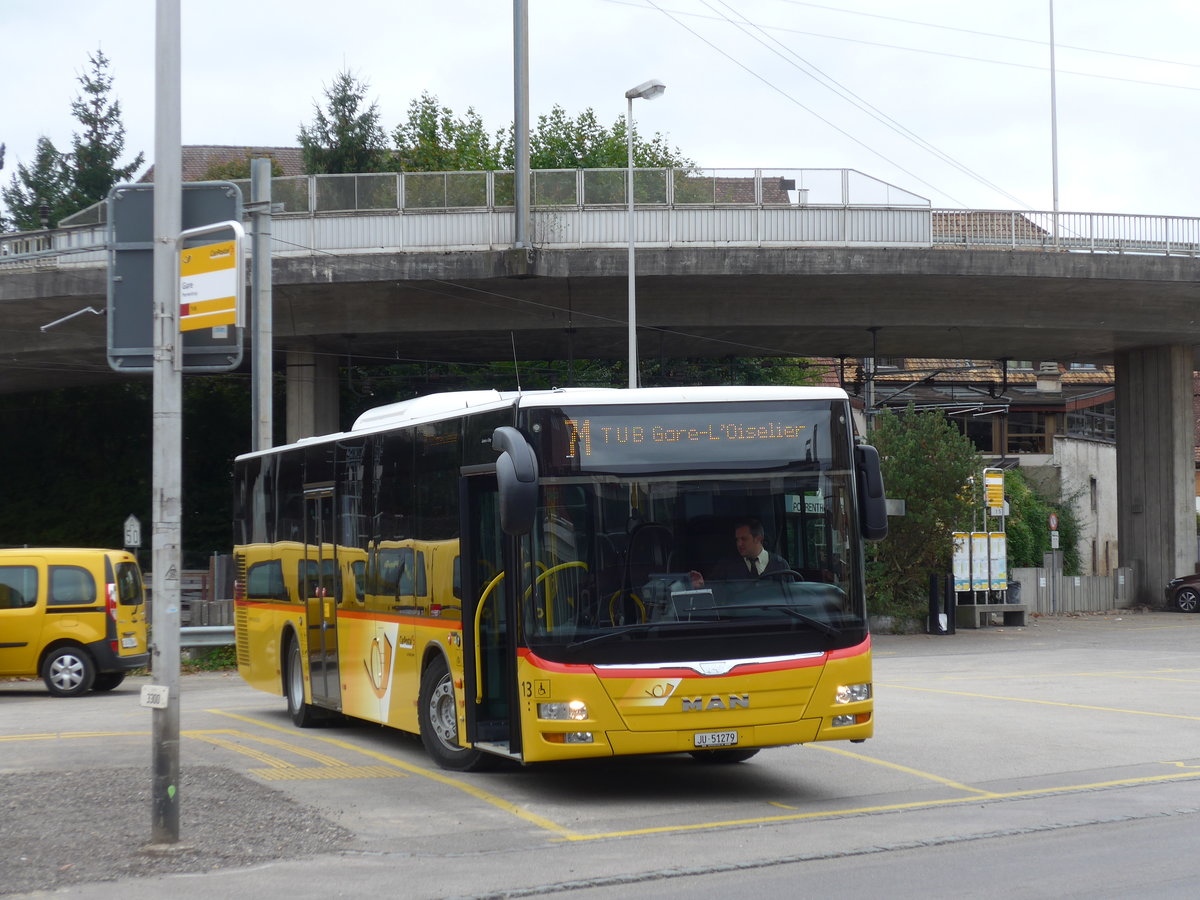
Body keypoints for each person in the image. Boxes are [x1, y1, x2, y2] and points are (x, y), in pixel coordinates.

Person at [690, 519, 790, 587]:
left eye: (744, 539)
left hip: (774, 618)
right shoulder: (726, 566)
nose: (739, 544)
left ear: (758, 538)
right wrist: (701, 585)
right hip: (735, 618)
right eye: (737, 540)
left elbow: (792, 600)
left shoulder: (780, 565)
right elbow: (712, 592)